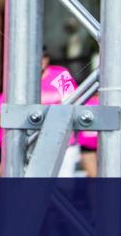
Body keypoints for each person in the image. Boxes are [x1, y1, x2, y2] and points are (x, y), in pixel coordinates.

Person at [41, 49, 79, 177]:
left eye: (44, 56)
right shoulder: (24, 80)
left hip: (64, 140)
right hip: (37, 142)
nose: (41, 60)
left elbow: (74, 103)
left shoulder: (60, 75)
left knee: (64, 185)